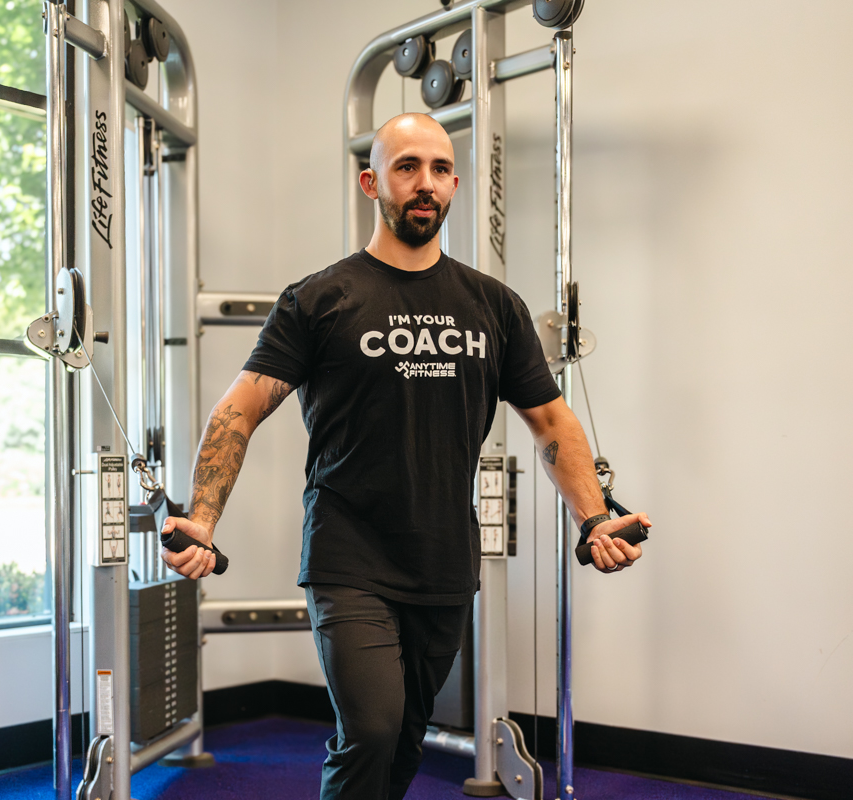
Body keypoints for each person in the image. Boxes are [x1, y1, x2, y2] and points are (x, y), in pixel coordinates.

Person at [160, 112, 651, 800]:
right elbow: (239, 409)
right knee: (371, 728)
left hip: (445, 558)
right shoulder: (319, 299)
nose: (427, 184)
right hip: (348, 553)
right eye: (408, 167)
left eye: (441, 169)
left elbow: (550, 421)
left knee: (404, 742)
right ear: (372, 182)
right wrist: (203, 519)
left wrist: (594, 519)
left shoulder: (494, 306)